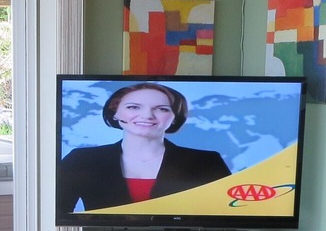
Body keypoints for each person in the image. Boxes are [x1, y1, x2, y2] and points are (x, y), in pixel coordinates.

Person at [57, 82, 230, 213]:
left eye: (162, 109)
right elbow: (57, 211)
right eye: (133, 107)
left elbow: (229, 211)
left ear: (175, 118)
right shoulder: (82, 159)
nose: (147, 115)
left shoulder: (207, 162)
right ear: (115, 113)